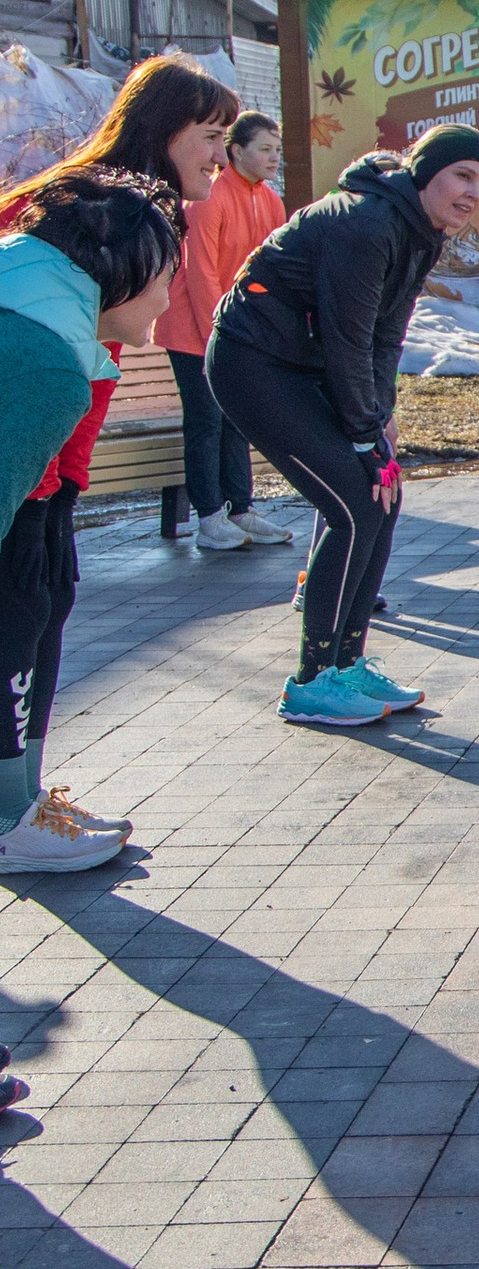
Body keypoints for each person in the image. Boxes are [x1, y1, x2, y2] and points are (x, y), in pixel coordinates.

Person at [0, 53, 237, 842]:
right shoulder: (91, 205)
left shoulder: (140, 208)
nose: (220, 153)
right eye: (210, 134)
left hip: (56, 455)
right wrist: (49, 471)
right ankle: (13, 815)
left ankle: (28, 802)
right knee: (24, 607)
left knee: (50, 602)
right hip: (35, 451)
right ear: (160, 129)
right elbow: (43, 347)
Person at [207, 123, 479, 727]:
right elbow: (347, 338)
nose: (475, 193)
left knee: (381, 496)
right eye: (463, 176)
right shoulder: (366, 224)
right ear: (425, 172)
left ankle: (347, 663)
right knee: (356, 504)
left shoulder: (421, 232)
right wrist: (363, 433)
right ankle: (313, 680)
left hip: (300, 364)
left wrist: (380, 418)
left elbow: (385, 336)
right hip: (252, 361)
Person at [0, 171, 181, 874]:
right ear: (122, 272)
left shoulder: (28, 305)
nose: (169, 298)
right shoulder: (47, 366)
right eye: (166, 276)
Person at [158, 109, 296, 551]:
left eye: (278, 150)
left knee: (238, 419)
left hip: (238, 329)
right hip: (193, 329)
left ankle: (241, 509)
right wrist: (214, 334)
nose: (275, 158)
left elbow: (273, 271)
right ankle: (210, 517)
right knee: (206, 421)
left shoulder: (270, 199)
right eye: (265, 149)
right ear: (235, 151)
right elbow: (200, 274)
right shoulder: (208, 196)